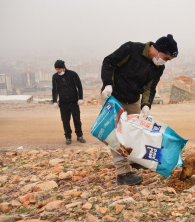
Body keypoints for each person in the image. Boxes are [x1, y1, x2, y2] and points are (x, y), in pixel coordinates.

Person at [101, 34, 178, 185]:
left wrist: (146, 105)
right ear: (158, 50)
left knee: (135, 131)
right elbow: (108, 62)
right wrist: (107, 83)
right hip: (113, 96)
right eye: (166, 58)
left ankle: (134, 159)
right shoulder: (131, 49)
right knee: (116, 135)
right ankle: (122, 174)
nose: (165, 62)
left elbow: (150, 87)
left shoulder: (158, 67)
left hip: (133, 99)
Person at [52, 60, 86, 145]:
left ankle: (79, 136)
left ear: (63, 68)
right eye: (56, 69)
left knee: (77, 120)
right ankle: (68, 137)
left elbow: (79, 87)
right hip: (63, 103)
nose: (57, 71)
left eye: (59, 69)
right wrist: (54, 101)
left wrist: (80, 98)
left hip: (74, 102)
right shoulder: (55, 77)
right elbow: (54, 89)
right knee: (65, 121)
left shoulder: (72, 74)